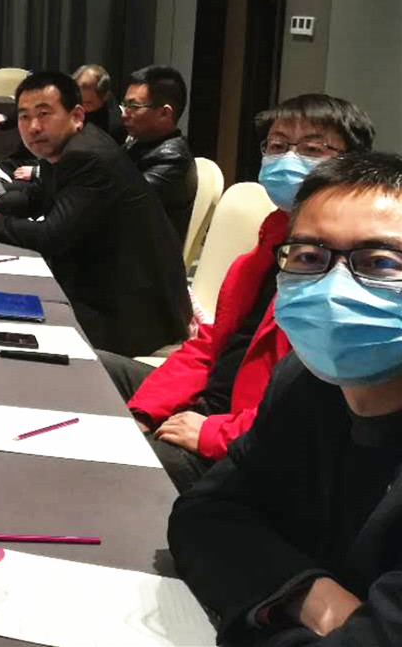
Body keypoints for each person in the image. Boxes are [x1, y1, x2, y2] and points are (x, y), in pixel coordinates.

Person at [169, 151, 402, 647]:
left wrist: (261, 592)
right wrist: (313, 597)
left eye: (380, 262)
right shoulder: (303, 380)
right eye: (309, 258)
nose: (334, 289)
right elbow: (202, 515)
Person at [101, 94, 375, 492]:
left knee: (110, 466)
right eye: (278, 146)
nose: (289, 159)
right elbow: (211, 346)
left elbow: (312, 411)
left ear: (353, 165)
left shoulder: (343, 282)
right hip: (209, 402)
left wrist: (214, 433)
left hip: (245, 443)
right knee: (87, 368)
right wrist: (146, 410)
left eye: (312, 149)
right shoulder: (260, 253)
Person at [0, 70, 189, 356]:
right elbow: (38, 196)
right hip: (102, 288)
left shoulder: (87, 156)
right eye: (25, 116)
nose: (33, 127)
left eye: (44, 114)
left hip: (127, 314)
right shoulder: (67, 145)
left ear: (77, 115)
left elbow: (52, 236)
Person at [0, 63, 124, 179]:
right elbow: (34, 109)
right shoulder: (65, 93)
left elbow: (92, 169)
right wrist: (5, 121)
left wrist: (38, 172)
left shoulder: (113, 126)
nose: (34, 127)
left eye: (87, 103)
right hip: (39, 159)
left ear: (104, 97)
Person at [120, 65, 198, 242]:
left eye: (134, 106)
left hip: (145, 254)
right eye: (124, 105)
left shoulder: (173, 159)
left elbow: (122, 201)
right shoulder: (140, 142)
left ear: (164, 113)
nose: (124, 114)